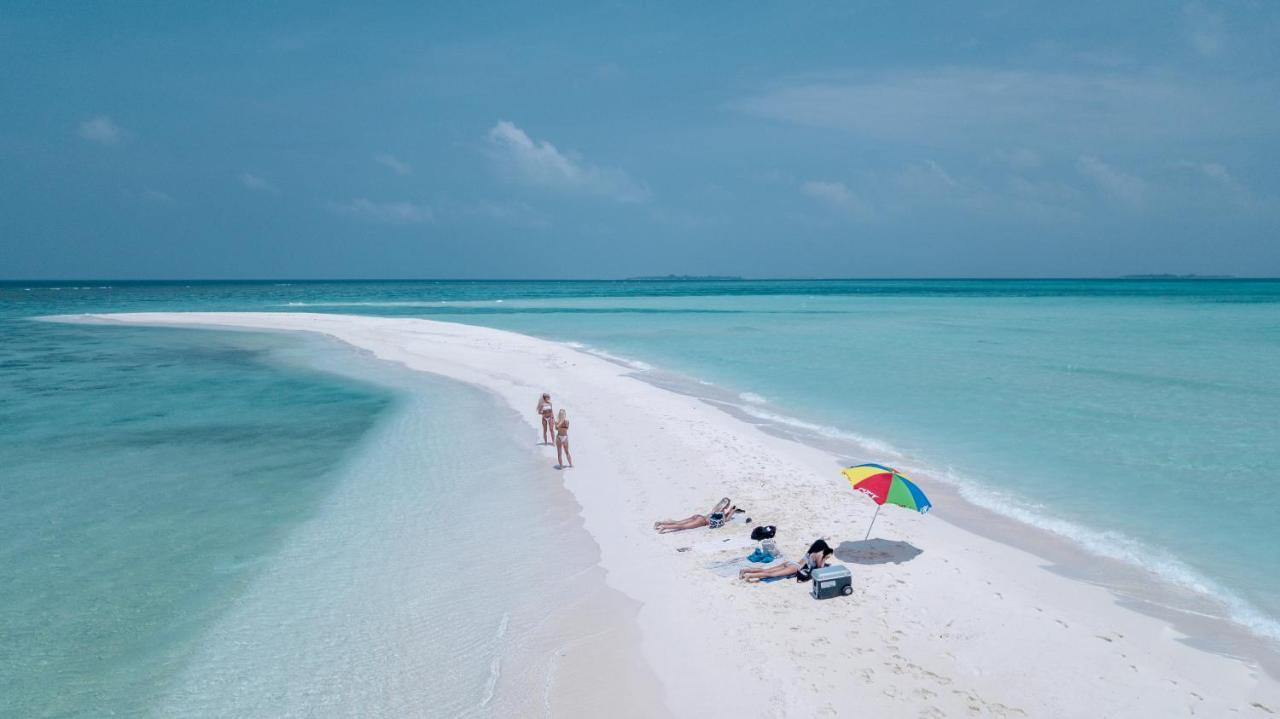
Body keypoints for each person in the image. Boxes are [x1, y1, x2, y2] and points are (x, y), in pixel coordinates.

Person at [739, 539, 833, 582]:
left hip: (791, 563)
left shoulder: (812, 552)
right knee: (770, 574)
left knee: (766, 570)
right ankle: (749, 575)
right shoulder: (820, 555)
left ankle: (745, 570)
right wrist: (825, 559)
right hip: (795, 567)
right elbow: (821, 567)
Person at [653, 498, 743, 533]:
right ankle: (664, 527)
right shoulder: (722, 511)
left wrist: (730, 510)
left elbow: (720, 515)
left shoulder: (718, 508)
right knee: (682, 526)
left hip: (699, 516)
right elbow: (725, 519)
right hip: (702, 521)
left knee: (679, 522)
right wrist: (732, 511)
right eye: (728, 505)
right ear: (726, 505)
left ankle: (660, 523)